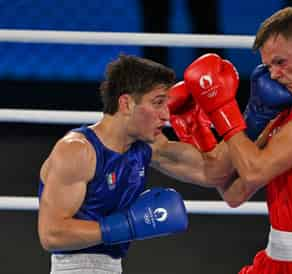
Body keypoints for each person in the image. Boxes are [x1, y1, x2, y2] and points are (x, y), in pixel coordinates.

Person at [183, 7, 292, 274]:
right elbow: (233, 192)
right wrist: (202, 131)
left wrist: (223, 110)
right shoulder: (284, 113)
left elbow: (254, 172)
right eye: (268, 66)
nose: (273, 74)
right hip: (273, 258)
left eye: (280, 62)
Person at [37, 54, 226, 273]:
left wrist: (242, 117)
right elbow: (52, 234)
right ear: (126, 103)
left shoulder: (147, 147)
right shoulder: (78, 151)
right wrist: (126, 226)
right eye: (157, 103)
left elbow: (213, 173)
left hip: (113, 267)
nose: (166, 115)